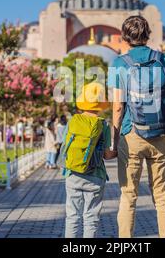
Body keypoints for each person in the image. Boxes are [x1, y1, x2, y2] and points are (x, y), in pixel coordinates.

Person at [108, 16, 165, 238]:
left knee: (128, 196)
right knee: (162, 197)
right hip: (161, 135)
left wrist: (114, 139)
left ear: (124, 37)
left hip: (131, 136)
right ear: (148, 34)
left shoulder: (119, 63)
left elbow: (118, 107)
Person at [59, 82, 117, 238]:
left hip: (72, 174)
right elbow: (107, 155)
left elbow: (64, 147)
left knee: (72, 216)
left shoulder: (73, 121)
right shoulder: (103, 125)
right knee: (91, 218)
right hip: (95, 176)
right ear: (100, 104)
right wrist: (118, 152)